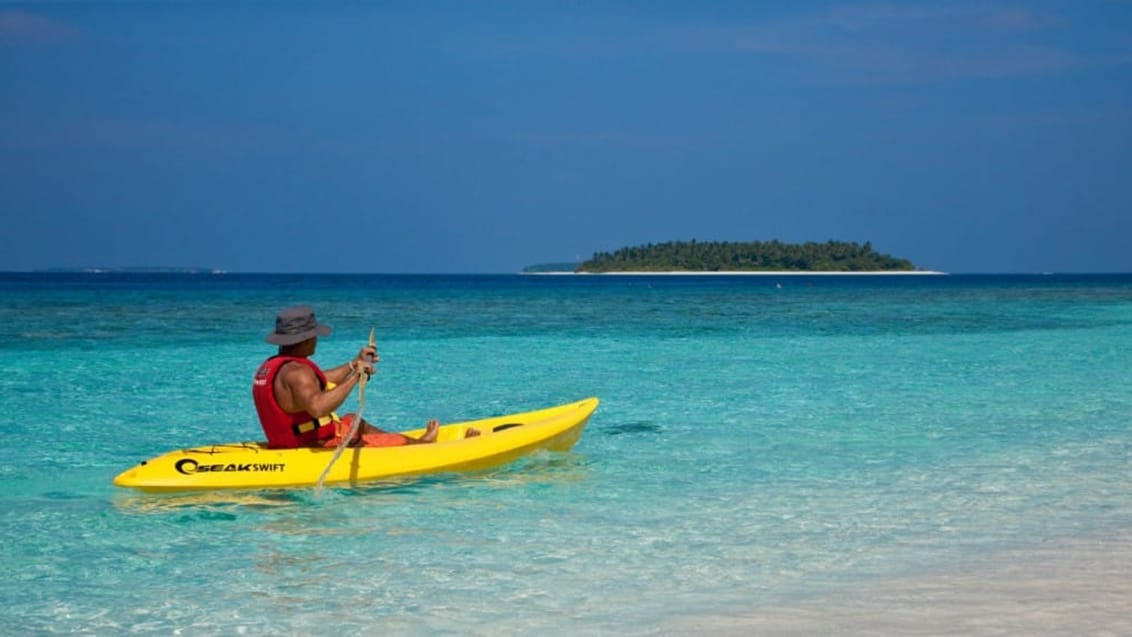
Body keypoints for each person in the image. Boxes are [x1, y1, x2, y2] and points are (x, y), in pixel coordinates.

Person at [252, 305, 469, 448]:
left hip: (289, 441)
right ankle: (418, 447)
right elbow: (318, 408)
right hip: (313, 444)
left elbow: (318, 380)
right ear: (307, 338)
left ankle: (417, 443)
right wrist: (356, 377)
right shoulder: (299, 373)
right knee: (365, 435)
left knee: (352, 420)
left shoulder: (278, 367)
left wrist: (353, 363)